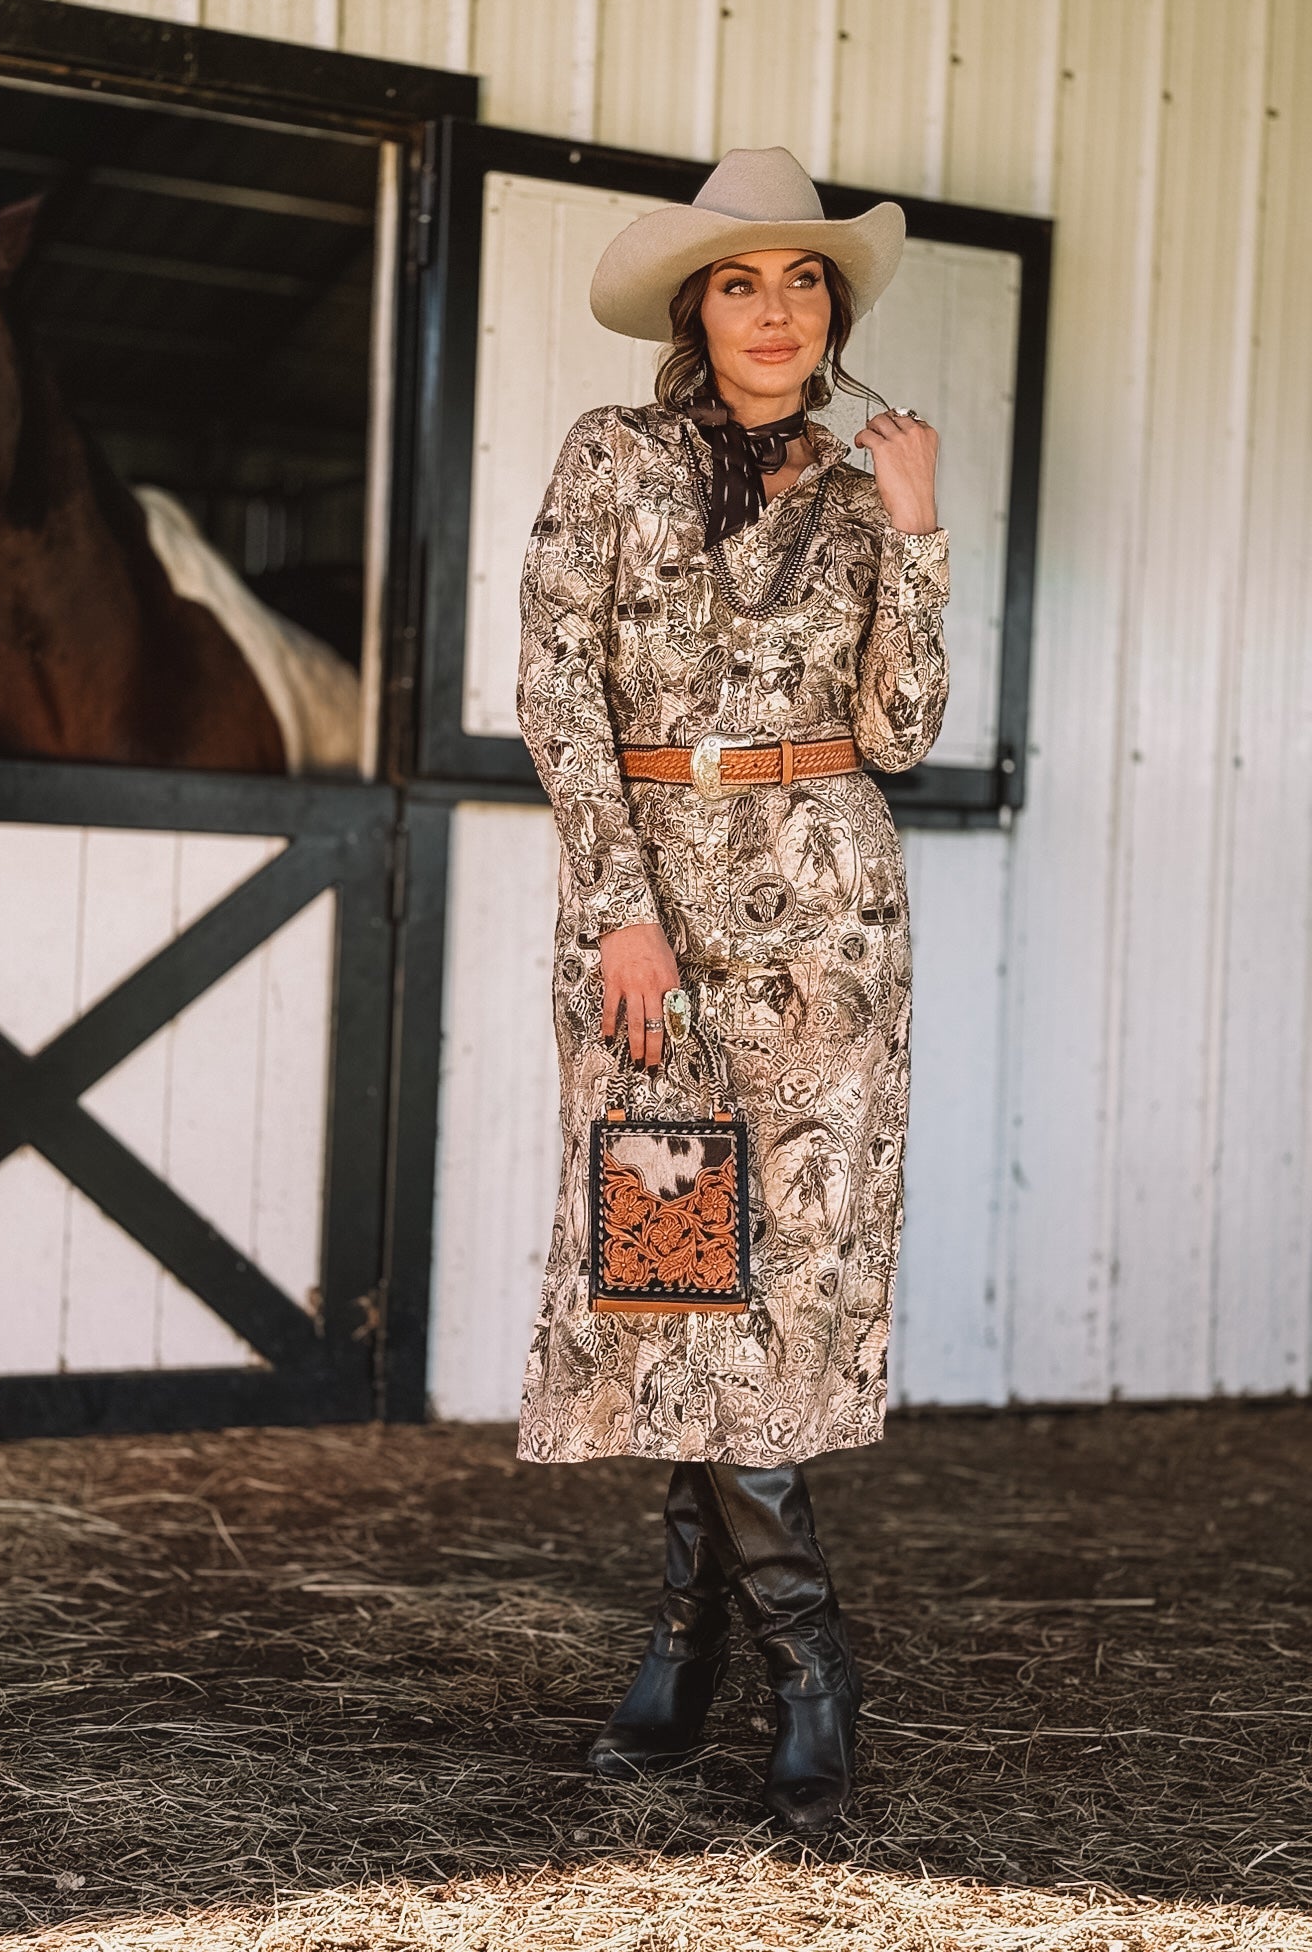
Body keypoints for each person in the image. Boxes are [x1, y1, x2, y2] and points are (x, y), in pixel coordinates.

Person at [514, 148, 949, 1832]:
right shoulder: (609, 462)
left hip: (829, 935)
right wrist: (624, 913)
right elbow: (559, 703)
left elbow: (899, 733)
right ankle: (759, 1646)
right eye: (742, 280)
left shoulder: (864, 486)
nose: (777, 310)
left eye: (805, 281)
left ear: (832, 308)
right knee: (677, 1266)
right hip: (653, 936)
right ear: (697, 308)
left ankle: (756, 1661)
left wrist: (915, 531)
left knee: (783, 1293)